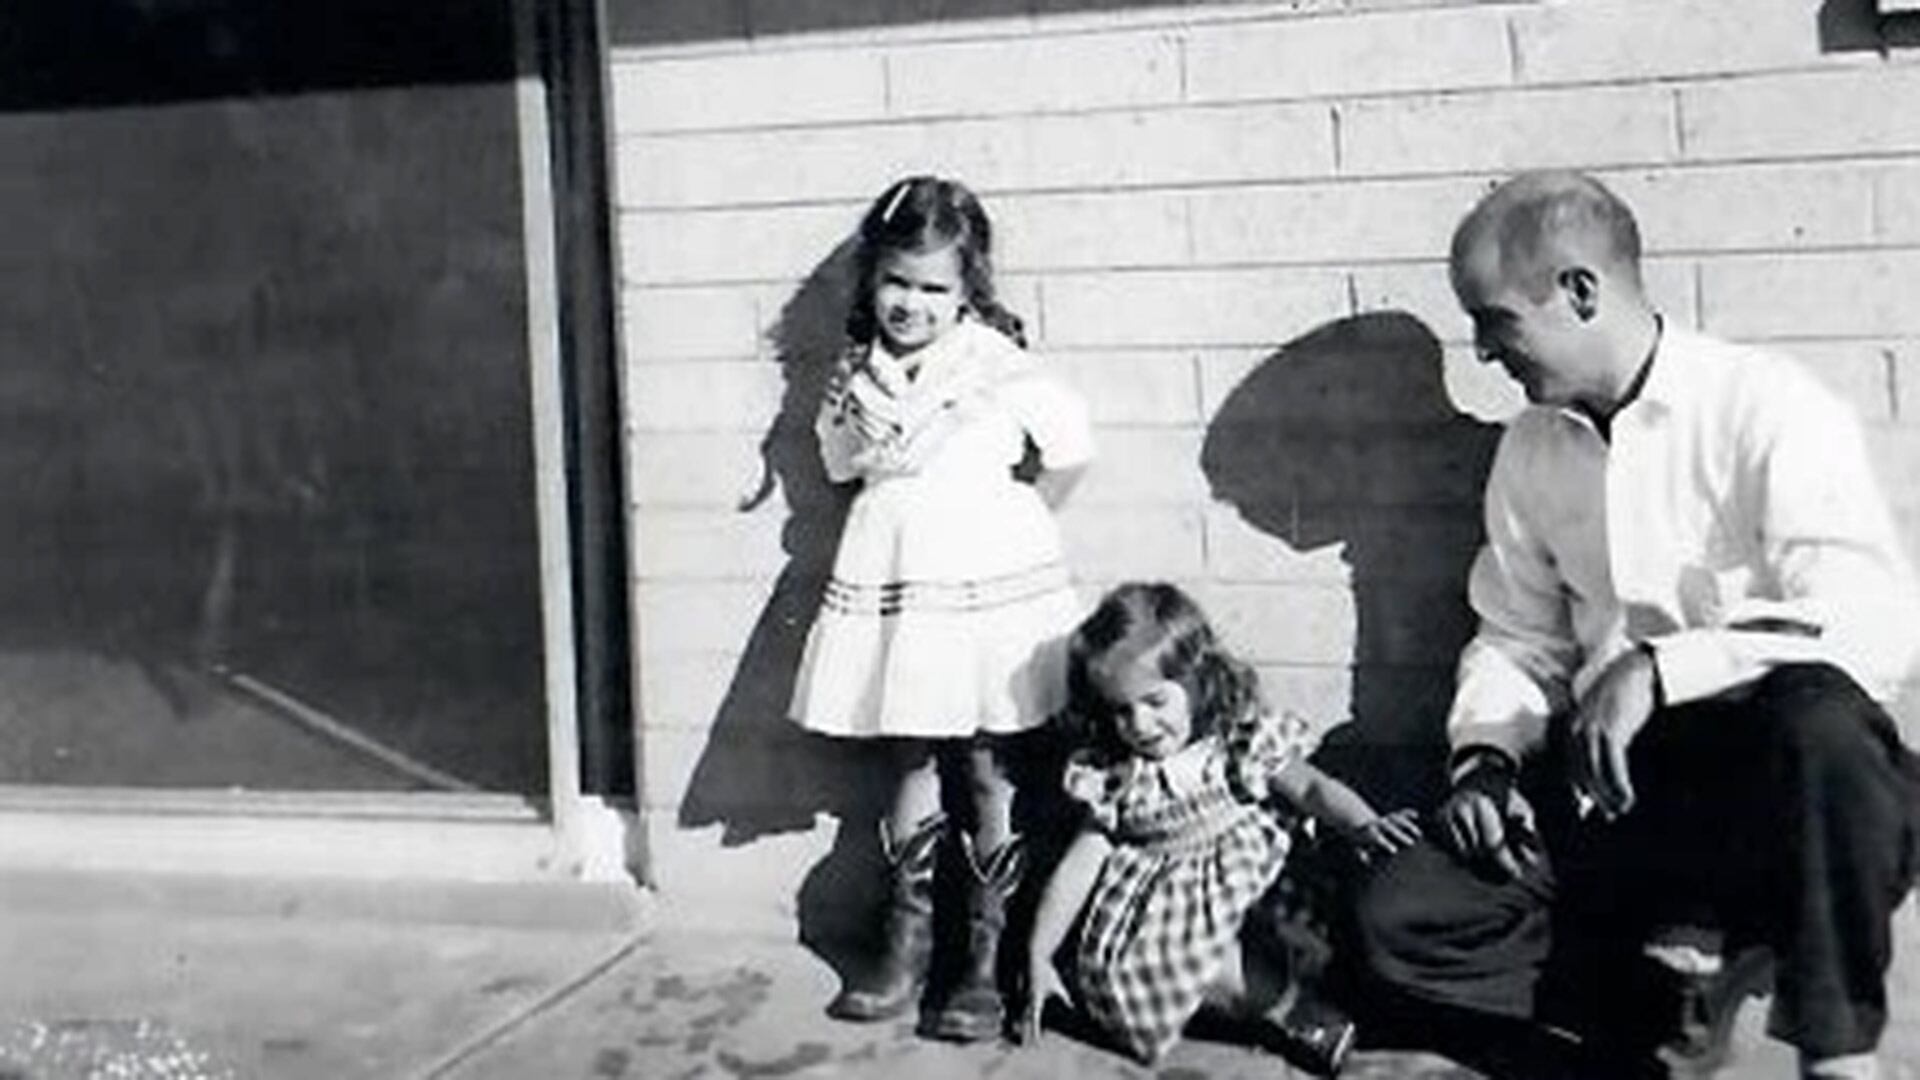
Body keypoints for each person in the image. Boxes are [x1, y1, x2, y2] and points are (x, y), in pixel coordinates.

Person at [1354, 170, 1920, 1080]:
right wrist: (1486, 761)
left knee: (1825, 725)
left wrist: (1662, 668)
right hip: (1615, 798)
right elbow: (1516, 635)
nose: (1484, 352)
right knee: (1403, 913)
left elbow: (1872, 621)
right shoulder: (1531, 446)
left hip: (1766, 796)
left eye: (1494, 320)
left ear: (1580, 291)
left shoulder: (1766, 402)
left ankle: (1836, 1055)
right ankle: (1669, 992)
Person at [789, 175, 1095, 1041]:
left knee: (991, 766)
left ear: (968, 290)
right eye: (897, 282)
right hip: (900, 585)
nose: (911, 304)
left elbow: (1070, 449)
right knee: (913, 759)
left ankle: (985, 963)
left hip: (984, 586)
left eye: (933, 287)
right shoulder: (857, 374)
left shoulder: (995, 366)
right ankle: (907, 948)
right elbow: (839, 465)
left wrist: (1018, 526)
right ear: (871, 280)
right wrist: (854, 413)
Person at [1018, 582, 1423, 1073]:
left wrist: (1364, 824)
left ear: (1195, 681)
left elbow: (1313, 788)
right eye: (1121, 711)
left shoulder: (1238, 743)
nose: (1140, 725)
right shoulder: (1115, 776)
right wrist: (1039, 953)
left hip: (1254, 889)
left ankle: (1295, 997)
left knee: (1306, 927)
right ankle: (1288, 1011)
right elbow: (1079, 867)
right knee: (1157, 967)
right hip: (1172, 916)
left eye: (1155, 702)